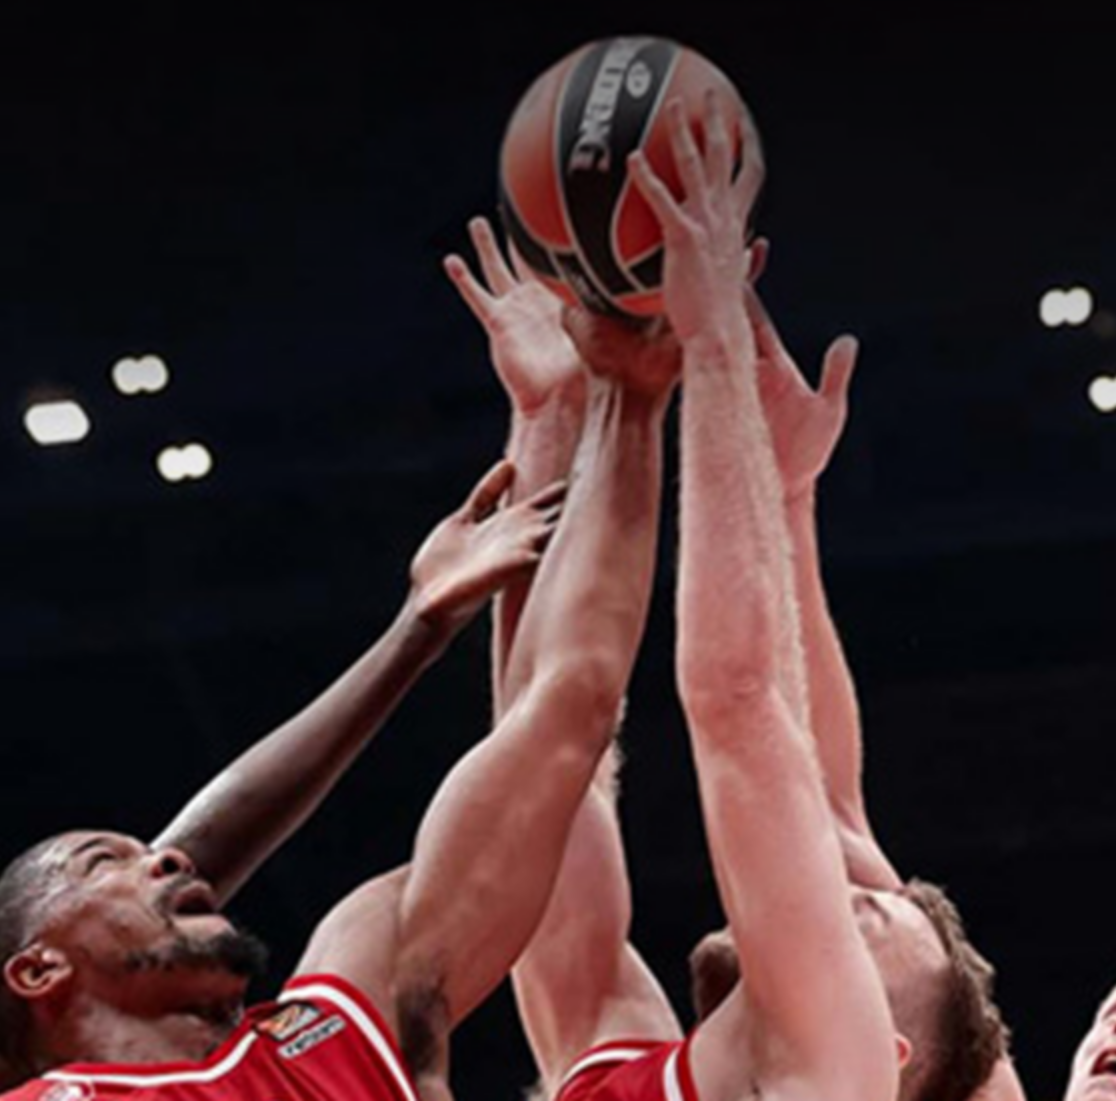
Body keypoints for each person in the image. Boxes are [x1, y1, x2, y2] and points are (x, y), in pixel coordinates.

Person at [451, 93, 1007, 1101]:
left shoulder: (836, 1080)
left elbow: (743, 702)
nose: (828, 880)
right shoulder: (612, 1056)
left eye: (861, 918)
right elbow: (545, 765)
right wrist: (579, 412)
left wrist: (713, 348)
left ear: (889, 1052)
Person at [0, 338, 674, 1101]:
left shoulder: (333, 1027)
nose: (172, 860)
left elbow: (560, 721)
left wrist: (611, 399)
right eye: (102, 862)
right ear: (35, 970)